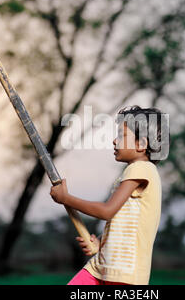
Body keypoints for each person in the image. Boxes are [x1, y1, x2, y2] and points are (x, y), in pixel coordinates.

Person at [50, 105, 168, 285]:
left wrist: (66, 199)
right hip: (103, 266)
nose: (114, 141)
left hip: (125, 273)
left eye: (122, 135)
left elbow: (106, 211)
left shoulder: (141, 169)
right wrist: (102, 246)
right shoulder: (135, 171)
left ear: (142, 144)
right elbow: (122, 221)